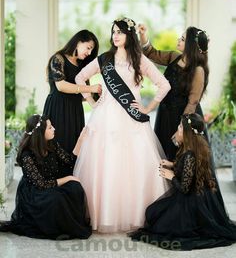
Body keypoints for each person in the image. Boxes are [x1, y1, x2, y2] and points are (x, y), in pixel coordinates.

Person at [73, 17, 171, 233]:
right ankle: (105, 215)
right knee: (106, 166)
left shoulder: (140, 60)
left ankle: (135, 216)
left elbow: (164, 84)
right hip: (105, 119)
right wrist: (91, 101)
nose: (115, 35)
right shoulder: (104, 59)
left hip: (132, 120)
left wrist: (148, 107)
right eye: (114, 31)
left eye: (120, 32)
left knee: (133, 167)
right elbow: (80, 78)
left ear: (130, 35)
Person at [129, 113, 236, 250]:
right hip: (198, 197)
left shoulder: (190, 154)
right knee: (154, 212)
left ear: (187, 132)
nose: (178, 128)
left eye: (180, 126)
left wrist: (171, 175)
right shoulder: (196, 147)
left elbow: (185, 188)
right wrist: (173, 164)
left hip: (191, 203)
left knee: (155, 217)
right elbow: (188, 169)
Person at [0, 114, 92, 240]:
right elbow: (41, 184)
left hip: (51, 183)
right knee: (56, 198)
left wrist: (81, 139)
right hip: (34, 192)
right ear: (40, 132)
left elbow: (69, 160)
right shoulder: (27, 155)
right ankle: (54, 229)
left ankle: (69, 226)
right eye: (50, 127)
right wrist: (67, 178)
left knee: (75, 188)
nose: (54, 129)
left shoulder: (51, 144)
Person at [138, 24, 209, 161]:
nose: (179, 40)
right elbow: (151, 52)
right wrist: (143, 35)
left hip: (183, 117)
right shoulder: (174, 56)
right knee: (163, 154)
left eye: (182, 39)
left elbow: (192, 102)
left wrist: (182, 129)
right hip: (165, 115)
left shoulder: (198, 70)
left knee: (179, 157)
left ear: (190, 45)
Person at [43, 30, 102, 178]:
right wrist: (90, 88)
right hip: (57, 108)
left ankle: (70, 183)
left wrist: (96, 101)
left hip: (75, 111)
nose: (89, 52)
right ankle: (55, 184)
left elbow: (84, 94)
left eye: (92, 50)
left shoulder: (82, 65)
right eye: (88, 47)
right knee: (58, 145)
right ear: (78, 41)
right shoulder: (58, 59)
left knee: (75, 146)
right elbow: (61, 86)